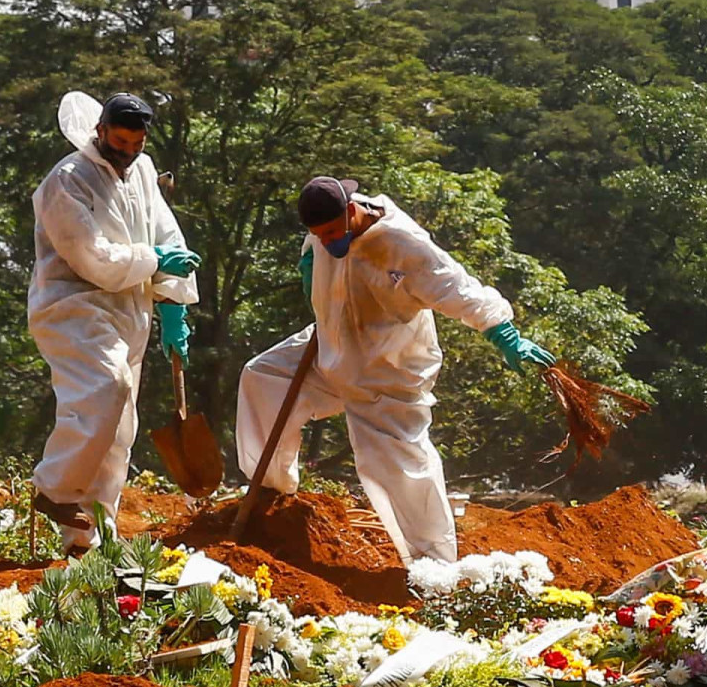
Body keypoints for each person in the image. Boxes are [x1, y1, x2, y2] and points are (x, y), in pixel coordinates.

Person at [235, 177, 556, 565]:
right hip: (330, 348)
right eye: (317, 236)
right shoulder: (322, 235)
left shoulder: (403, 244)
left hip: (387, 372)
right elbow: (319, 248)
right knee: (261, 377)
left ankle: (435, 564)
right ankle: (273, 492)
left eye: (332, 232)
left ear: (351, 209)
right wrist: (311, 265)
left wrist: (504, 334)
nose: (326, 242)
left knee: (401, 468)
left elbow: (457, 287)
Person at [29, 92, 201, 554]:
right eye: (119, 140)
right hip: (74, 306)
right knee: (104, 388)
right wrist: (153, 260)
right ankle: (54, 488)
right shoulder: (66, 180)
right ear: (100, 130)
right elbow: (92, 258)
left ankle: (87, 543)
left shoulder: (141, 171)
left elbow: (164, 233)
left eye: (136, 143)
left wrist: (173, 301)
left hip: (131, 311)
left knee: (117, 429)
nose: (126, 151)